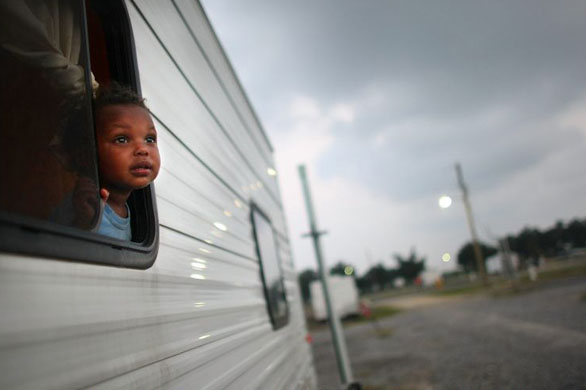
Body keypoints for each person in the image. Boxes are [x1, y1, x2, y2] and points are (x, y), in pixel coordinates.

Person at [93, 83, 161, 240]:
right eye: (122, 139)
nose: (142, 149)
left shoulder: (124, 208)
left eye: (149, 139)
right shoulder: (86, 205)